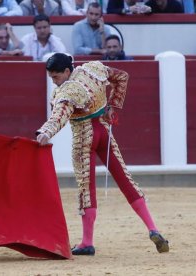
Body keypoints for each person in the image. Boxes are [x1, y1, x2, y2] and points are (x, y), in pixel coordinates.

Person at [36, 53, 169, 256]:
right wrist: (112, 107)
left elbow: (59, 115)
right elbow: (121, 76)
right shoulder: (93, 70)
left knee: (85, 188)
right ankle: (153, 229)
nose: (54, 82)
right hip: (103, 131)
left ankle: (87, 242)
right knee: (126, 179)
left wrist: (45, 132)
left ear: (66, 71)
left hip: (84, 137)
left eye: (55, 77)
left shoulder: (67, 90)